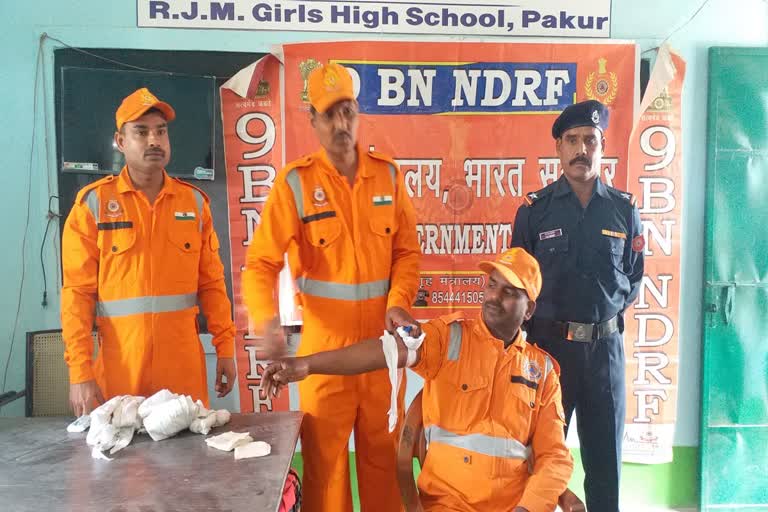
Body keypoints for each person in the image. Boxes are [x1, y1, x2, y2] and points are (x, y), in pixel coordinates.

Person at [261, 248, 577, 512]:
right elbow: (385, 351)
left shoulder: (543, 371)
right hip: (447, 503)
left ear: (529, 309)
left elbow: (554, 457)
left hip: (513, 506)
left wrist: (528, 508)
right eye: (492, 285)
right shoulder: (450, 337)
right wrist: (306, 365)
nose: (494, 297)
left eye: (509, 292)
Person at [243, 63, 421, 512]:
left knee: (386, 469)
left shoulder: (389, 177)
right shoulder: (296, 185)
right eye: (330, 115)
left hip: (383, 357)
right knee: (327, 477)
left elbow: (407, 254)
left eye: (348, 112)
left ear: (358, 115)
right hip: (324, 360)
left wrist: (398, 302)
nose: (342, 124)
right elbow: (260, 263)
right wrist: (267, 326)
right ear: (313, 121)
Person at [61, 87, 236, 416]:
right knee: (122, 465)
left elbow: (212, 284)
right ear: (121, 141)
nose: (154, 140)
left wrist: (225, 346)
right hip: (120, 374)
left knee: (188, 465)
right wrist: (80, 372)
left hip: (182, 373)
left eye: (161, 131)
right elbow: (77, 295)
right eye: (141, 132)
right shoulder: (93, 205)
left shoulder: (195, 204)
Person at [512, 99, 645, 511]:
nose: (580, 149)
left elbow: (634, 277)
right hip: (549, 354)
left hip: (605, 353)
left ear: (603, 147)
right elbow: (518, 284)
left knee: (605, 464)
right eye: (572, 140)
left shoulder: (624, 210)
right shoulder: (534, 212)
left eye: (590, 140)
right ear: (558, 148)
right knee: (538, 461)